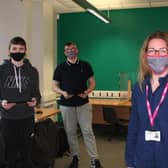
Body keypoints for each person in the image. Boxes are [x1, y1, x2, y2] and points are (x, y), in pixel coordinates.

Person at [52, 42, 103, 168]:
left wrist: (87, 92)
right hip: (66, 104)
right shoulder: (60, 67)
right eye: (68, 49)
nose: (71, 51)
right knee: (70, 132)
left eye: (73, 48)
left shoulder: (85, 65)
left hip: (83, 104)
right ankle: (75, 157)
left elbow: (92, 83)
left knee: (87, 131)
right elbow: (53, 86)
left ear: (77, 50)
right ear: (65, 53)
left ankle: (94, 160)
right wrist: (63, 92)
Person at [125, 31, 168, 168]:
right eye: (152, 51)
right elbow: (133, 127)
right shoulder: (139, 88)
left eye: (162, 50)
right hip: (142, 158)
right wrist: (130, 162)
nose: (157, 55)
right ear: (145, 55)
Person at [0, 36, 41, 168]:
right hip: (8, 118)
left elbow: (37, 93)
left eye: (21, 49)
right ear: (9, 51)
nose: (18, 52)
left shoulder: (33, 71)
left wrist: (36, 101)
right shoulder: (1, 71)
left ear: (25, 51)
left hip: (27, 117)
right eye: (14, 49)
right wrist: (1, 103)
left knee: (27, 153)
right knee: (10, 155)